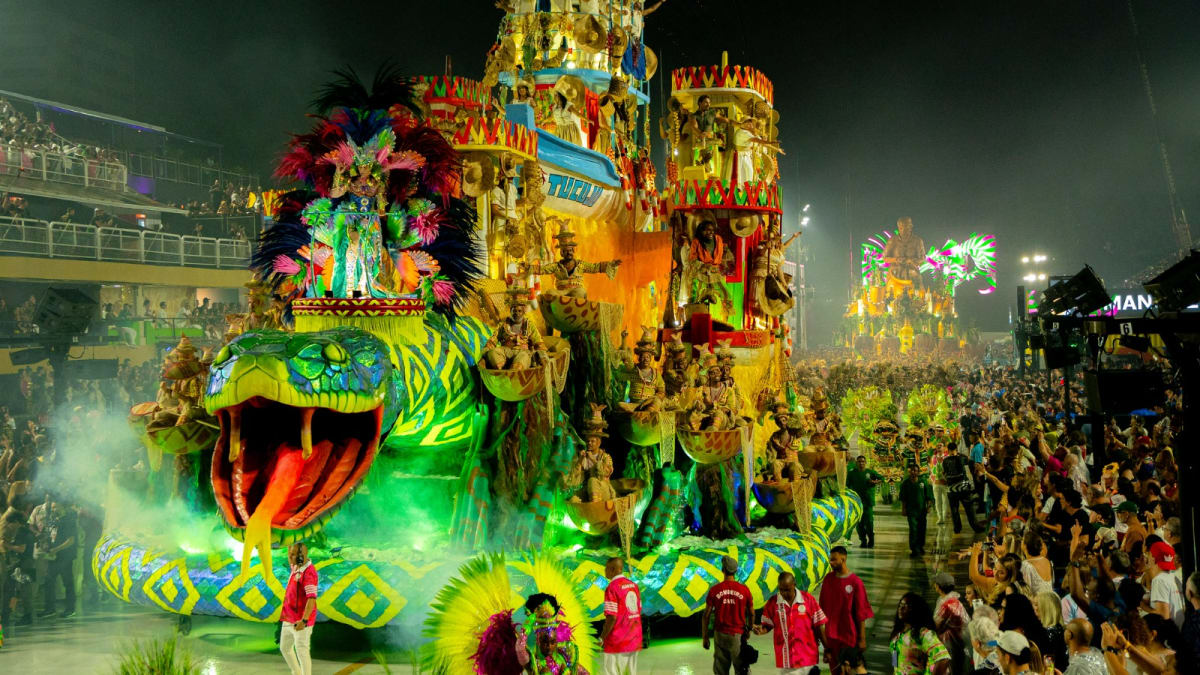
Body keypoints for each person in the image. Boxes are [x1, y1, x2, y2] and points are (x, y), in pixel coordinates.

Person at [754, 571, 828, 674]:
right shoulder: (773, 603)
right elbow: (768, 625)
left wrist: (827, 649)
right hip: (787, 661)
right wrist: (761, 630)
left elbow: (819, 625)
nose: (784, 593)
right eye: (781, 590)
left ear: (794, 585)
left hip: (808, 659)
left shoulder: (808, 600)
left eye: (788, 590)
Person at [818, 546, 873, 667]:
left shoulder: (855, 582)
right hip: (831, 637)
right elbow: (821, 609)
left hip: (849, 636)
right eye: (830, 560)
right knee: (835, 669)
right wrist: (823, 640)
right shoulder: (828, 580)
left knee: (848, 669)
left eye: (834, 560)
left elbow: (861, 613)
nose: (831, 563)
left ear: (843, 559)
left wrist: (862, 638)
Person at [702, 555, 752, 675]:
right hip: (737, 635)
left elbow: (706, 616)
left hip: (720, 635)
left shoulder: (715, 590)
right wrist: (749, 629)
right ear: (735, 571)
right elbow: (752, 613)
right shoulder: (744, 590)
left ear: (722, 569)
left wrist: (705, 637)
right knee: (741, 669)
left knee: (721, 670)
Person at [280, 541, 318, 675]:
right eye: (290, 554)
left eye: (293, 555)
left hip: (301, 621)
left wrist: (304, 620)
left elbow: (311, 598)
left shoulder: (309, 573)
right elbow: (289, 550)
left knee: (302, 650)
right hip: (289, 617)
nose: (289, 558)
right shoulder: (296, 566)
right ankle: (297, 672)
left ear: (301, 557)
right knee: (285, 648)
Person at [889, 592, 951, 674]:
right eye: (900, 605)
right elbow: (895, 660)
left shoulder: (924, 634)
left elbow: (943, 659)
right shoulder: (898, 633)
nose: (901, 608)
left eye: (907, 606)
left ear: (916, 610)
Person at [600, 557, 641, 675]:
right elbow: (637, 610)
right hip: (634, 638)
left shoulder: (611, 588)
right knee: (630, 672)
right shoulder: (634, 586)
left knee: (612, 671)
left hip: (617, 641)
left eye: (606, 569)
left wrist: (602, 637)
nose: (605, 571)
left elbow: (612, 617)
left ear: (612, 570)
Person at [39, 496, 76, 619]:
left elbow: (71, 540)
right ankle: (49, 609)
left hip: (65, 556)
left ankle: (70, 609)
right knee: (48, 580)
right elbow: (50, 535)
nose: (53, 509)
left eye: (55, 506)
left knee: (68, 582)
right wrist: (46, 545)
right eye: (52, 507)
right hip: (53, 556)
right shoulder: (54, 520)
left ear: (62, 505)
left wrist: (56, 549)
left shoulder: (69, 519)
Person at [932, 572, 970, 675]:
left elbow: (936, 626)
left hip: (950, 645)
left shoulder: (948, 605)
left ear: (939, 587)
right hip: (957, 643)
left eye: (936, 583)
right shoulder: (953, 601)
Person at [845, 455, 882, 547]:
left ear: (865, 463)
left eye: (863, 461)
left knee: (869, 522)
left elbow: (882, 478)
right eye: (859, 461)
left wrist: (875, 482)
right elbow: (847, 486)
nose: (861, 463)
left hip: (868, 502)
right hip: (857, 502)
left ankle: (871, 540)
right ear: (856, 463)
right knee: (859, 524)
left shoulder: (870, 472)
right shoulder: (852, 473)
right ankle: (863, 541)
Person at [898, 463, 932, 557]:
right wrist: (903, 509)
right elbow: (903, 498)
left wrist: (928, 507)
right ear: (909, 471)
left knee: (922, 530)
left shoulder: (923, 482)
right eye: (912, 470)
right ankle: (914, 549)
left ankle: (920, 547)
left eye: (916, 471)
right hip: (911, 511)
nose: (914, 472)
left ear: (918, 472)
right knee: (913, 530)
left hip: (922, 511)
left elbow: (928, 496)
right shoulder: (905, 483)